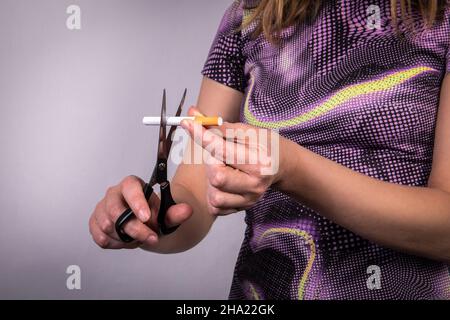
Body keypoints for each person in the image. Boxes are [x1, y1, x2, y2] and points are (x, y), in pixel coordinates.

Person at [89, 0, 450, 299]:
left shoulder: (443, 20)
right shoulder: (249, 17)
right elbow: (194, 201)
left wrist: (291, 168)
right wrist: (149, 217)